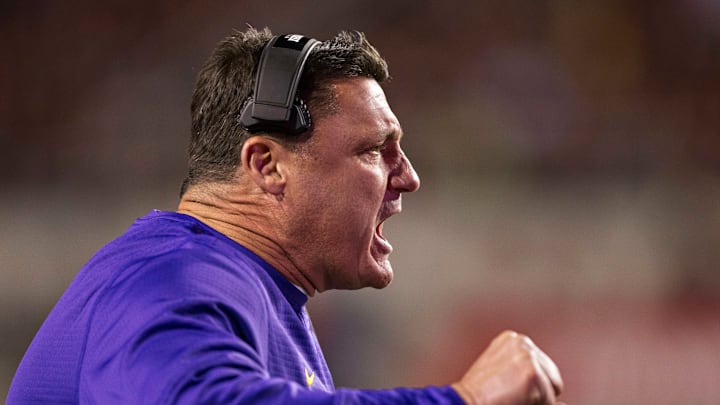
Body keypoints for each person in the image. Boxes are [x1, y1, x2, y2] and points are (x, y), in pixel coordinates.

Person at [8, 28, 564, 404]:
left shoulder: (248, 289)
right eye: (374, 150)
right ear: (268, 165)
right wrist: (460, 400)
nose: (408, 176)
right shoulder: (176, 278)